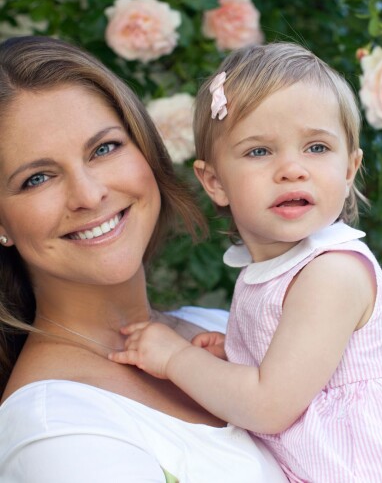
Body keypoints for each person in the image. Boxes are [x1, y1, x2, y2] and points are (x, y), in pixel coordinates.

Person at [111, 42, 382, 482]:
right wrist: (238, 355)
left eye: (317, 148)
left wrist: (175, 359)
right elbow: (296, 368)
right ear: (214, 181)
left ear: (349, 169)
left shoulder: (331, 273)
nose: (292, 169)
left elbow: (269, 406)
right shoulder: (271, 267)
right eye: (259, 152)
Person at [0, 36, 288, 482]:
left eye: (104, 148)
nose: (89, 194)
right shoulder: (54, 432)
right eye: (37, 178)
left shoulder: (223, 327)